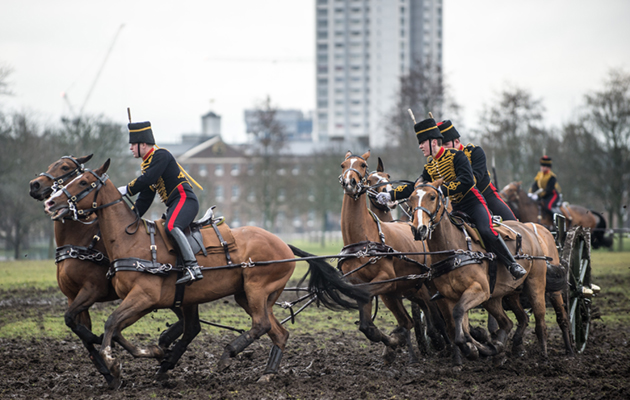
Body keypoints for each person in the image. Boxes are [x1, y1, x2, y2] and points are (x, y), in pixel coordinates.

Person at [376, 117, 526, 280]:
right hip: (456, 206)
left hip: (474, 202)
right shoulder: (430, 166)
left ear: (434, 142)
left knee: (485, 230)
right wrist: (391, 194)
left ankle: (513, 265)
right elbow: (417, 186)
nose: (420, 146)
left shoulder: (458, 156)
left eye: (422, 143)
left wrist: (441, 190)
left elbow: (468, 180)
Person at [118, 121, 203, 285]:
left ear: (142, 144)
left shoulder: (161, 155)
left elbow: (148, 178)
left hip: (185, 199)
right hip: (175, 203)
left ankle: (193, 268)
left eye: (132, 145)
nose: (130, 148)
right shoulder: (149, 165)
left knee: (171, 226)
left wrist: (127, 189)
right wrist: (130, 218)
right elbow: (145, 198)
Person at [438, 120, 517, 222]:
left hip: (487, 197)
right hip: (459, 205)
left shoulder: (474, 152)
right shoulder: (440, 163)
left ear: (456, 142)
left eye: (446, 144)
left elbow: (474, 179)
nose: (443, 148)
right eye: (441, 145)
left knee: (514, 226)